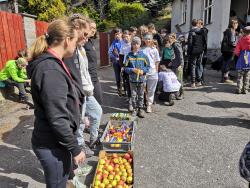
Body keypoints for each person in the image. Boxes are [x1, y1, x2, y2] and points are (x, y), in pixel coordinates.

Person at [27, 18, 85, 188]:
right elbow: (57, 117)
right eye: (75, 40)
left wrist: (77, 117)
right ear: (67, 40)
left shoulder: (54, 63)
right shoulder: (50, 70)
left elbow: (63, 101)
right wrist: (75, 148)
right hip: (52, 145)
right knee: (57, 184)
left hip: (56, 141)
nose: (76, 45)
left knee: (62, 180)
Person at [124, 36, 150, 117]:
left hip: (142, 80)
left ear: (140, 44)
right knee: (134, 95)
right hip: (132, 80)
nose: (136, 45)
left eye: (137, 44)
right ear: (132, 45)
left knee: (141, 95)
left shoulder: (144, 56)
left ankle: (140, 109)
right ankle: (135, 109)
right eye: (134, 44)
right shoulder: (129, 56)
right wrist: (132, 70)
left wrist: (144, 71)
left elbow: (148, 67)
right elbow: (125, 68)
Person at [84, 19, 103, 105]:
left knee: (99, 103)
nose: (93, 30)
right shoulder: (83, 43)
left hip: (94, 76)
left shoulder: (90, 41)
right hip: (88, 78)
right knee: (94, 107)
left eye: (95, 28)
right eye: (91, 28)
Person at [141, 33, 161, 113]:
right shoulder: (141, 49)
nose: (148, 40)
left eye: (149, 39)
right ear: (144, 40)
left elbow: (157, 61)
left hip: (152, 72)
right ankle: (141, 103)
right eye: (146, 39)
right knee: (142, 89)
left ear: (152, 40)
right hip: (143, 72)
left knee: (151, 90)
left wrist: (156, 72)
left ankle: (149, 104)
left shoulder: (155, 50)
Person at [187, 19, 206, 88]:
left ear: (192, 24)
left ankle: (193, 82)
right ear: (197, 24)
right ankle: (199, 81)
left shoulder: (191, 32)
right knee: (198, 65)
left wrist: (188, 52)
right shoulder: (202, 31)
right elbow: (204, 41)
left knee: (193, 66)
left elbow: (190, 43)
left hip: (193, 51)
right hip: (200, 50)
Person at [221, 19, 239, 83]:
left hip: (225, 49)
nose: (237, 25)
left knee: (225, 62)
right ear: (233, 24)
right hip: (230, 50)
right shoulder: (232, 31)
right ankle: (226, 78)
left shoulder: (227, 30)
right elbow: (232, 42)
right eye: (236, 24)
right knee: (228, 63)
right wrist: (238, 43)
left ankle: (223, 78)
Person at [234, 26, 250, 94]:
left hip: (242, 58)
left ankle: (238, 89)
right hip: (249, 59)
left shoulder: (241, 40)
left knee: (239, 76)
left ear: (243, 32)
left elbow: (237, 50)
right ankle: (245, 89)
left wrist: (238, 54)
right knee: (247, 76)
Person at [108, 28, 123, 96]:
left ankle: (126, 90)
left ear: (121, 34)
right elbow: (109, 52)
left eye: (118, 34)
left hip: (124, 62)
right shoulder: (114, 42)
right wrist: (115, 58)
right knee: (117, 76)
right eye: (116, 34)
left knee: (125, 76)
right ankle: (119, 90)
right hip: (116, 62)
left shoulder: (124, 42)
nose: (117, 36)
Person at [169, 33, 184, 99]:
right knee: (175, 79)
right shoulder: (173, 45)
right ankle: (176, 93)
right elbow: (174, 55)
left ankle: (181, 94)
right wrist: (171, 62)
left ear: (173, 38)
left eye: (170, 38)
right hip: (174, 64)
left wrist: (181, 64)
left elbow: (180, 54)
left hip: (178, 65)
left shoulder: (176, 44)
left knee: (179, 79)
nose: (169, 40)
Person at [119, 30, 132, 97]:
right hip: (125, 65)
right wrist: (122, 66)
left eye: (126, 37)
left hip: (133, 64)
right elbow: (121, 57)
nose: (125, 38)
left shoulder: (133, 45)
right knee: (126, 80)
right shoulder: (123, 46)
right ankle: (128, 95)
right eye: (124, 37)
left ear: (130, 36)